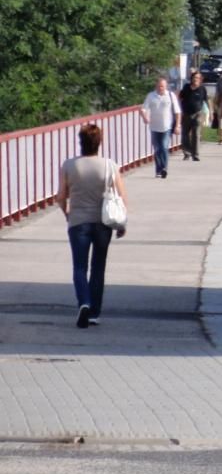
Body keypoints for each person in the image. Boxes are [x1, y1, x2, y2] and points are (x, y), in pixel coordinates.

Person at [55, 123, 127, 328]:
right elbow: (120, 196)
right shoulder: (109, 165)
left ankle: (84, 302)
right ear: (99, 143)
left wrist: (67, 212)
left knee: (79, 266)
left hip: (78, 222)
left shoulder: (69, 165)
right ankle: (94, 312)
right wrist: (122, 223)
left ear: (80, 142)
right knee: (98, 267)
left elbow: (61, 196)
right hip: (103, 223)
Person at [140, 75, 179, 179]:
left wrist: (178, 125)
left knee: (164, 147)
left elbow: (177, 112)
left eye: (162, 86)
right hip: (154, 127)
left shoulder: (170, 96)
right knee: (157, 149)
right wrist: (145, 117)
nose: (160, 88)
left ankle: (164, 168)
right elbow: (143, 109)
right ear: (156, 86)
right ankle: (158, 170)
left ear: (166, 86)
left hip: (167, 127)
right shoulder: (151, 96)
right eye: (159, 86)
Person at [177, 71, 209, 162]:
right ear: (192, 78)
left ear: (200, 80)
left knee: (196, 134)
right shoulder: (186, 87)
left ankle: (195, 155)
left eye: (198, 78)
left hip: (197, 114)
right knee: (185, 134)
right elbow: (180, 97)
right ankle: (187, 153)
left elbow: (206, 100)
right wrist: (179, 110)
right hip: (186, 113)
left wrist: (210, 112)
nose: (196, 79)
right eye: (195, 77)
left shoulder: (202, 89)